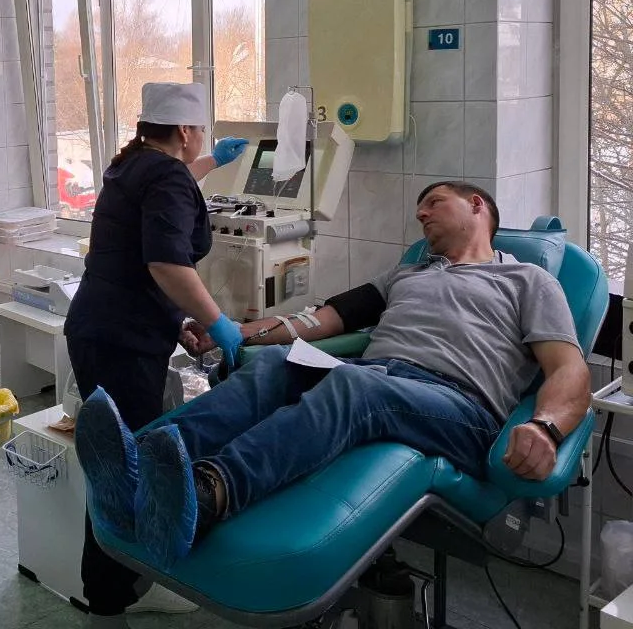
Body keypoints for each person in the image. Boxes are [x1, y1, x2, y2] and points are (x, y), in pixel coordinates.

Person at [76, 181, 592, 585]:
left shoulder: (527, 280)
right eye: (419, 210)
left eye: (434, 203)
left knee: (356, 388)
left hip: (457, 406)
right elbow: (324, 319)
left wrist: (545, 428)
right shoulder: (408, 273)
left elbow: (570, 370)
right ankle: (135, 465)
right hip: (378, 380)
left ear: (477, 206)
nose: (422, 215)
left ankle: (206, 494)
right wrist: (234, 332)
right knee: (275, 365)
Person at [62, 81, 249, 620]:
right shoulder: (164, 174)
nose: (202, 140)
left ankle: (116, 583)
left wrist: (178, 320)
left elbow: (160, 212)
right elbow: (166, 263)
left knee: (117, 456)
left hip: (102, 329)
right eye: (202, 133)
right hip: (122, 340)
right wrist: (219, 323)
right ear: (185, 131)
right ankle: (113, 592)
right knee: (126, 466)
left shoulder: (132, 165)